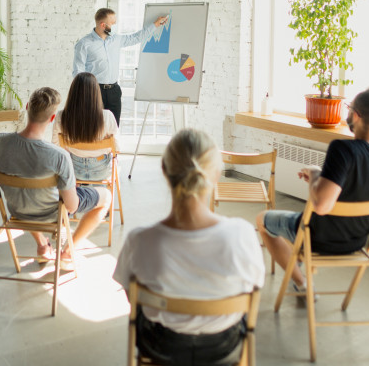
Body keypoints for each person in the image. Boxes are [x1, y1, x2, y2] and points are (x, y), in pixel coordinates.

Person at [112, 129, 265, 366]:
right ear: (215, 175)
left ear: (164, 169)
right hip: (223, 346)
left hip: (161, 346)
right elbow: (255, 286)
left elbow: (133, 299)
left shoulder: (139, 240)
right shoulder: (242, 234)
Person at [257, 86, 369, 296]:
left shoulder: (343, 150)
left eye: (349, 108)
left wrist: (316, 175)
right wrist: (321, 177)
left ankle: (302, 283)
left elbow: (321, 206)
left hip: (318, 237)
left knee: (262, 219)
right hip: (357, 242)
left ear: (356, 115)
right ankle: (301, 272)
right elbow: (359, 188)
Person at [0, 87, 112, 269]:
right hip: (51, 215)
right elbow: (71, 206)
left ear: (28, 107)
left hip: (17, 212)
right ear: (52, 118)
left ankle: (42, 246)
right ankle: (68, 252)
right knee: (106, 196)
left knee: (29, 197)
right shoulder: (59, 156)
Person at [72, 8, 168, 125]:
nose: (116, 26)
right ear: (103, 25)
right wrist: (83, 93)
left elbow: (136, 37)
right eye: (113, 23)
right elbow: (78, 71)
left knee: (113, 127)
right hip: (94, 91)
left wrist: (155, 25)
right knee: (94, 127)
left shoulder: (116, 39)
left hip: (114, 91)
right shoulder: (84, 44)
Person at [51, 72, 119, 181]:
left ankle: (80, 190)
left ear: (73, 93)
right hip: (101, 171)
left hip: (73, 170)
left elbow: (56, 145)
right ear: (96, 93)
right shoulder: (107, 116)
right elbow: (117, 148)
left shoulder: (61, 116)